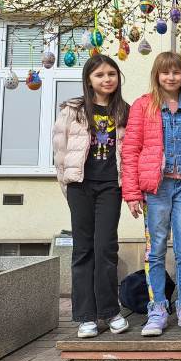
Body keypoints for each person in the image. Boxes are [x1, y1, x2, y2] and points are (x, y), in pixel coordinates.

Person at [121, 52, 181, 337]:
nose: (171, 77)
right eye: (165, 72)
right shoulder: (143, 106)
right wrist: (132, 193)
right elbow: (130, 150)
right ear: (157, 75)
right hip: (155, 189)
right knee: (155, 249)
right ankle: (157, 307)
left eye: (176, 72)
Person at [53, 54, 130, 338]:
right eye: (100, 75)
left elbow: (130, 151)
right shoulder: (73, 110)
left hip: (111, 187)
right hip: (80, 186)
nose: (106, 79)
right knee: (83, 249)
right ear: (88, 80)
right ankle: (86, 316)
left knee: (106, 248)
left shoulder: (125, 111)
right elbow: (60, 151)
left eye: (111, 74)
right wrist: (67, 184)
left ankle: (109, 311)